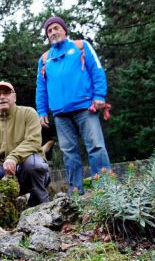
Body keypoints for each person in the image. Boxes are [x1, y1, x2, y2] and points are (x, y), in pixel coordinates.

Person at [36, 16, 111, 193]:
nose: (53, 32)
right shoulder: (45, 58)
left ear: (64, 29)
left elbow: (97, 70)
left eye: (56, 28)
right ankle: (76, 193)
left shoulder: (81, 46)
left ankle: (105, 188)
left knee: (96, 147)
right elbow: (41, 87)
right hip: (60, 113)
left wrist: (99, 95)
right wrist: (41, 110)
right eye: (49, 31)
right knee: (69, 153)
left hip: (85, 107)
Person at [0, 81, 50, 207]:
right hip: (2, 170)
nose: (2, 97)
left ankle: (44, 204)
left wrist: (13, 157)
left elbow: (33, 141)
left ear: (14, 97)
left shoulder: (29, 113)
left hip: (26, 167)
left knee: (34, 165)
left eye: (6, 93)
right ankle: (0, 210)